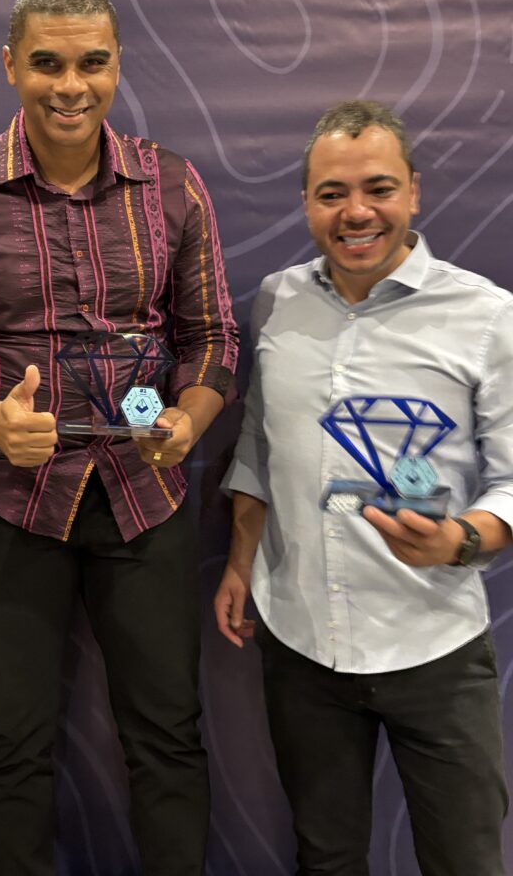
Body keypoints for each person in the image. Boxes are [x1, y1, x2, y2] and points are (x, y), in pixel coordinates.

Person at [0, 0, 238, 876]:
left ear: (117, 65)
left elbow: (212, 338)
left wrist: (188, 421)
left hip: (146, 495)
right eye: (47, 63)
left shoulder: (173, 185)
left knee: (168, 736)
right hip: (10, 501)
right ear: (11, 65)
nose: (70, 85)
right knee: (9, 745)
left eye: (92, 63)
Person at [215, 100, 511, 876]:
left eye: (378, 188)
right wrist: (242, 559)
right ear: (306, 203)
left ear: (413, 191)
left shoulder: (486, 316)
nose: (356, 213)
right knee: (326, 859)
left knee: (467, 861)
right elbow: (261, 441)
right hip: (301, 644)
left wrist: (460, 540)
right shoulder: (277, 300)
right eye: (331, 194)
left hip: (434, 646)